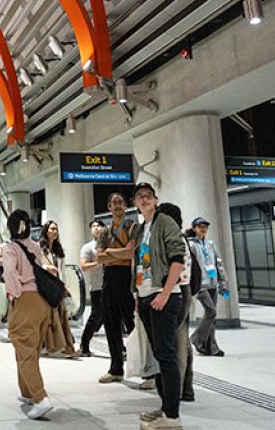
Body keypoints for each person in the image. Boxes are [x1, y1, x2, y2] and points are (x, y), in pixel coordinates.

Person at [129, 182, 186, 429]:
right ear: (135, 203)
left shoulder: (165, 222)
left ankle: (172, 416)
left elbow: (178, 258)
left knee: (166, 355)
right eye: (139, 196)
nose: (144, 199)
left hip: (163, 296)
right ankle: (165, 408)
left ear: (155, 200)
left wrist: (165, 292)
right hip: (145, 296)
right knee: (159, 355)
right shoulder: (141, 229)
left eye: (148, 196)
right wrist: (136, 295)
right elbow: (139, 264)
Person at [2, 209, 54, 420]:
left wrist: (14, 295)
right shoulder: (34, 246)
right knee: (31, 349)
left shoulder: (10, 248)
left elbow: (10, 273)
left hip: (25, 299)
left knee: (24, 350)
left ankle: (41, 398)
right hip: (41, 300)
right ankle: (27, 392)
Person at [95, 193, 138, 384]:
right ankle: (116, 368)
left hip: (127, 277)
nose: (118, 205)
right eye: (114, 203)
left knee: (132, 324)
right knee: (111, 324)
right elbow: (99, 257)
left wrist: (110, 252)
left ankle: (147, 370)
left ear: (125, 206)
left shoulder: (133, 227)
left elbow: (131, 253)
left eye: (121, 202)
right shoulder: (105, 231)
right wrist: (119, 254)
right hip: (109, 278)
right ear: (109, 207)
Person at [156, 203, 195, 403]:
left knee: (172, 342)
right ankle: (186, 388)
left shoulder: (172, 238)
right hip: (183, 290)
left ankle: (173, 392)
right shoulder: (179, 237)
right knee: (181, 341)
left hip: (175, 290)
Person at [188, 217, 227, 357]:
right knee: (211, 312)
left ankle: (211, 348)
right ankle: (196, 339)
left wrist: (222, 281)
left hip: (212, 283)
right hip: (200, 285)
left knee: (212, 318)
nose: (203, 229)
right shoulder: (191, 245)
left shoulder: (210, 244)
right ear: (194, 228)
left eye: (205, 226)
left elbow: (218, 263)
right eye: (200, 226)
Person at [39, 221, 78, 358]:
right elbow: (34, 265)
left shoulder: (59, 249)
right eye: (52, 229)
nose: (55, 231)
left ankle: (67, 347)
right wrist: (46, 268)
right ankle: (47, 346)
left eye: (56, 229)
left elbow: (62, 270)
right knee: (48, 317)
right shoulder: (38, 248)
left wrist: (65, 286)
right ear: (46, 231)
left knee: (61, 315)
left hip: (57, 287)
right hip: (45, 287)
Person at [79, 219, 105, 357]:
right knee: (95, 316)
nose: (96, 228)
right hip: (97, 287)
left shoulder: (109, 244)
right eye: (93, 226)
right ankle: (84, 344)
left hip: (112, 286)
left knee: (113, 317)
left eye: (98, 226)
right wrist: (99, 263)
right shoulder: (88, 247)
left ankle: (120, 348)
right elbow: (83, 266)